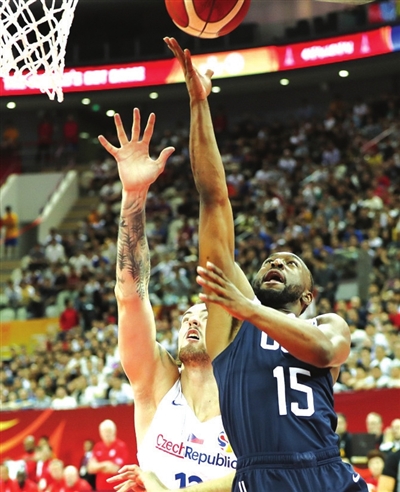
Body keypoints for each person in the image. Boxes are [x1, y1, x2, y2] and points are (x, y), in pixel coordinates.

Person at [164, 36, 368, 492]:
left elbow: (324, 352)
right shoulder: (231, 324)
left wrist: (250, 307)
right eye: (270, 260)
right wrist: (199, 105)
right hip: (257, 476)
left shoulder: (327, 324)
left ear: (308, 295)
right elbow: (213, 199)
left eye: (291, 262)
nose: (276, 262)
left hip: (325, 471)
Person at [97, 109, 235, 490]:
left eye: (203, 315)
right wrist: (133, 196)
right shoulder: (156, 384)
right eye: (187, 315)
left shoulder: (245, 404)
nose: (191, 319)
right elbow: (130, 294)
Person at [87, 419, 129, 491]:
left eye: (109, 431)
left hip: (117, 488)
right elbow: (90, 468)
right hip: (101, 488)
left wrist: (98, 466)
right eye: (104, 431)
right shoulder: (98, 446)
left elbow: (114, 469)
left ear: (114, 432)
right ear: (100, 433)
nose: (106, 434)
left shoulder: (121, 446)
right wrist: (105, 464)